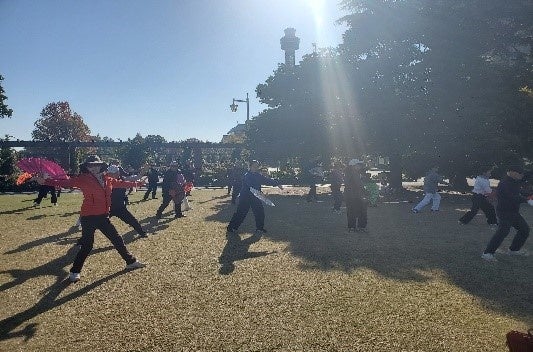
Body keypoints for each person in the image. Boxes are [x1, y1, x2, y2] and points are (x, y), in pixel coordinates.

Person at [35, 155, 146, 282]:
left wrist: (139, 183)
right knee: (88, 245)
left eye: (96, 165)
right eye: (90, 165)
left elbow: (123, 183)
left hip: (104, 216)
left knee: (117, 240)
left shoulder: (108, 179)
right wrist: (46, 182)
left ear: (100, 166)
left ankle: (130, 262)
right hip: (88, 217)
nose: (93, 167)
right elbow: (66, 182)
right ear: (86, 167)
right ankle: (74, 271)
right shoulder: (83, 179)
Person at [482, 165, 532, 261]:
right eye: (520, 173)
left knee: (524, 229)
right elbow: (513, 197)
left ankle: (513, 250)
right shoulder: (504, 183)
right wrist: (527, 200)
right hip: (504, 212)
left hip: (514, 212)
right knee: (503, 231)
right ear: (513, 172)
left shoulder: (516, 179)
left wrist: (527, 196)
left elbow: (527, 175)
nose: (522, 175)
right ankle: (487, 253)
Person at [227, 160, 283, 235]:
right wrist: (261, 194)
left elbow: (266, 180)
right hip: (245, 197)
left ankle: (259, 228)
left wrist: (277, 183)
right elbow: (251, 186)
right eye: (254, 166)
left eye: (257, 166)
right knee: (241, 213)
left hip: (255, 197)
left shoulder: (257, 175)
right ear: (250, 166)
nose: (256, 168)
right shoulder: (247, 175)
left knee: (260, 212)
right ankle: (231, 227)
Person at [107, 165, 148, 238]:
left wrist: (143, 171)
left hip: (120, 207)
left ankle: (142, 233)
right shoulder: (105, 181)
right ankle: (83, 239)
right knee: (97, 223)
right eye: (110, 173)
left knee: (133, 221)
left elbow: (136, 178)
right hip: (108, 207)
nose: (111, 175)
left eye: (114, 173)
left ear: (118, 173)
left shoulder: (123, 179)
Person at [344, 159, 367, 232]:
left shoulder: (349, 173)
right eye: (358, 165)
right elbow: (359, 185)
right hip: (355, 195)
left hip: (350, 195)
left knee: (351, 211)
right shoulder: (354, 173)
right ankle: (360, 227)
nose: (360, 166)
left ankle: (352, 227)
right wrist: (365, 191)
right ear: (353, 166)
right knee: (361, 211)